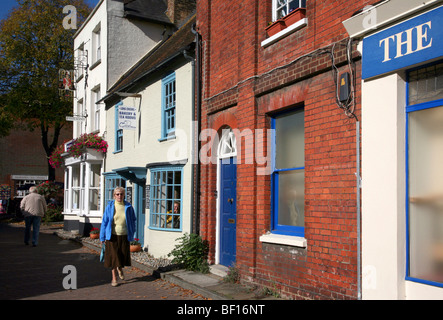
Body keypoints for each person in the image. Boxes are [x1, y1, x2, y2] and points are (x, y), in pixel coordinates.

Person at [100, 187, 136, 287]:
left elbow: (133, 220)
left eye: (121, 194)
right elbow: (105, 222)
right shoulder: (110, 206)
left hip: (124, 235)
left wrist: (133, 232)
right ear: (114, 195)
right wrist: (102, 237)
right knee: (113, 257)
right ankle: (114, 278)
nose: (119, 196)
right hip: (112, 235)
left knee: (122, 255)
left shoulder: (128, 206)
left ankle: (120, 267)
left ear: (124, 195)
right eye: (117, 194)